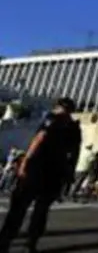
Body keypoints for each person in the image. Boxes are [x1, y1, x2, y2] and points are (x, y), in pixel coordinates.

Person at [0, 97, 82, 253]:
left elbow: (39, 138)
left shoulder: (52, 119)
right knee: (41, 210)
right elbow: (75, 153)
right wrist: (69, 173)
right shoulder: (75, 127)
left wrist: (25, 162)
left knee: (19, 206)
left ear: (58, 107)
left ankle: (5, 240)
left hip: (37, 167)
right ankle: (31, 242)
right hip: (56, 172)